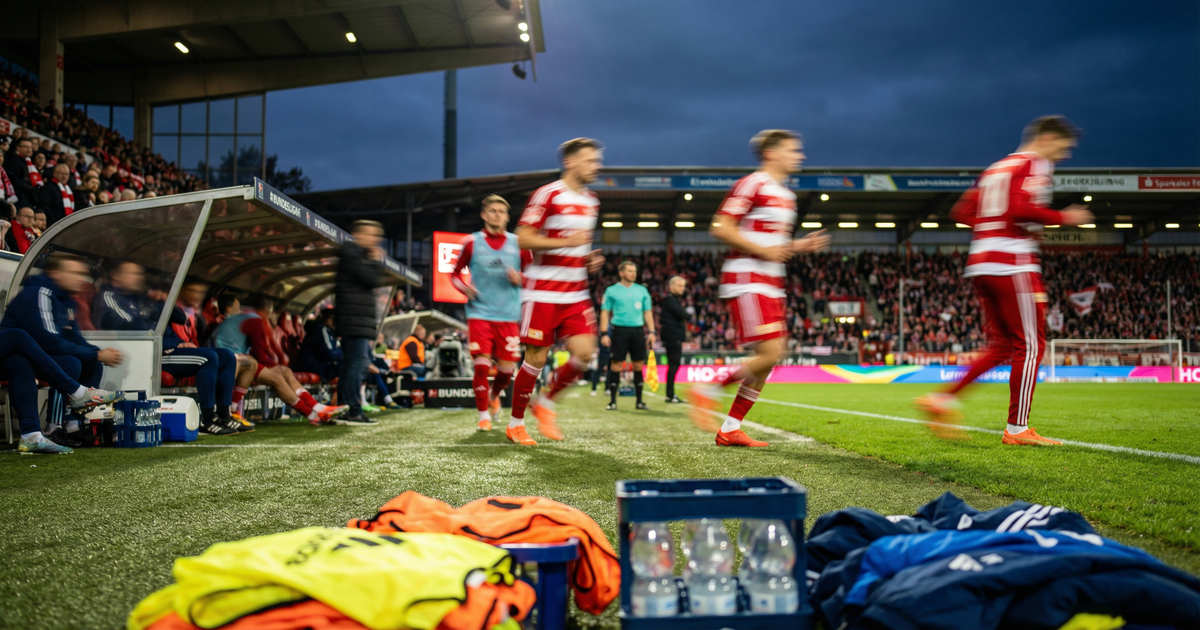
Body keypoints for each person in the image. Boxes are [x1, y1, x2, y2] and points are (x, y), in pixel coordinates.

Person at [915, 116, 1094, 445]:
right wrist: (1063, 217)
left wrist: (991, 231)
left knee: (1000, 346)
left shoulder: (997, 168)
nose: (1065, 155)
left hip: (982, 263)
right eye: (1064, 147)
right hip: (1012, 264)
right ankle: (1017, 429)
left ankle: (942, 399)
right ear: (1048, 139)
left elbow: (962, 212)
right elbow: (1017, 208)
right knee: (1030, 346)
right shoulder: (1035, 164)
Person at [690, 130, 829, 447]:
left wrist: (797, 246)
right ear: (772, 153)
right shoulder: (753, 183)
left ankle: (730, 428)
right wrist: (764, 251)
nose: (801, 156)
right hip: (747, 277)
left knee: (768, 361)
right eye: (794, 150)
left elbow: (773, 244)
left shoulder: (787, 196)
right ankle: (706, 391)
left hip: (772, 282)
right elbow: (721, 226)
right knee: (771, 352)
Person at [508, 138, 606, 446]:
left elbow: (578, 243)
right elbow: (523, 239)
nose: (597, 166)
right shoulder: (547, 194)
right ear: (571, 162)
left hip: (576, 292)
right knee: (536, 359)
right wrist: (566, 243)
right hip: (543, 292)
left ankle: (546, 404)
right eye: (591, 160)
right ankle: (515, 423)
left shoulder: (593, 201)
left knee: (585, 353)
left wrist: (588, 259)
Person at [0, 253, 126, 446]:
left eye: (82, 274)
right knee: (70, 363)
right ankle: (55, 425)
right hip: (20, 351)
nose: (81, 279)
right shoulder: (39, 293)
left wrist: (96, 354)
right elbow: (48, 341)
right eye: (75, 273)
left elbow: (71, 336)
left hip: (25, 357)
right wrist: (95, 353)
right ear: (56, 273)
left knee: (91, 364)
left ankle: (73, 424)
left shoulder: (65, 299)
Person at [450, 194, 532, 432]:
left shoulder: (519, 244)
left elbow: (533, 276)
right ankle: (483, 415)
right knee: (482, 366)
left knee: (506, 371)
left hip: (509, 316)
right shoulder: (471, 242)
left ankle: (495, 395)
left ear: (507, 217)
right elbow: (454, 274)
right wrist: (466, 289)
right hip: (480, 313)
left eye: (502, 211)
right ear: (483, 215)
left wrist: (521, 278)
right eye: (493, 211)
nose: (498, 215)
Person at [211, 294, 351, 426]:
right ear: (268, 310)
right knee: (277, 377)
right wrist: (272, 367)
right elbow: (260, 352)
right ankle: (312, 414)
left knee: (284, 371)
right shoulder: (253, 319)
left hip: (235, 359)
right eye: (237, 307)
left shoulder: (243, 318)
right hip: (231, 361)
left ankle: (317, 408)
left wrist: (273, 366)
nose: (239, 310)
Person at [0, 328, 124, 454]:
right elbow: (46, 339)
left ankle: (31, 436)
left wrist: (95, 353)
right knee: (18, 336)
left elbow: (68, 333)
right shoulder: (23, 308)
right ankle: (78, 394)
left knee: (20, 362)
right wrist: (95, 354)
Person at [334, 220, 389, 425]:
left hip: (356, 320)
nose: (375, 240)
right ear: (358, 234)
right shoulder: (351, 253)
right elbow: (371, 279)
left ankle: (346, 408)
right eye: (371, 235)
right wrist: (376, 261)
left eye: (377, 236)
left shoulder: (356, 255)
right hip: (353, 321)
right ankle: (353, 411)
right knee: (356, 365)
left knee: (352, 365)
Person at [599, 261, 656, 411]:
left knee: (638, 365)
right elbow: (604, 312)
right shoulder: (611, 291)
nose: (633, 273)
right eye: (630, 271)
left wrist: (652, 332)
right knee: (616, 365)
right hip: (619, 330)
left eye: (635, 271)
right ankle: (612, 401)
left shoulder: (642, 290)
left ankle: (639, 402)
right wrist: (604, 333)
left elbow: (648, 312)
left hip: (638, 330)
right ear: (621, 273)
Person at [660, 275, 689, 404]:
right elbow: (683, 314)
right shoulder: (670, 300)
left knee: (673, 365)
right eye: (680, 286)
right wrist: (687, 314)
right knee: (674, 365)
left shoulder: (672, 300)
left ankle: (670, 395)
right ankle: (670, 395)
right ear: (671, 287)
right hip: (672, 337)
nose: (682, 288)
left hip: (673, 337)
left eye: (683, 286)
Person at [4, 137, 42, 208]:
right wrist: (31, 189)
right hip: (18, 197)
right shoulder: (14, 159)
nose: (29, 150)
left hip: (26, 197)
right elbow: (14, 179)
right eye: (26, 147)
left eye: (30, 147)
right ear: (18, 148)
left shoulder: (28, 162)